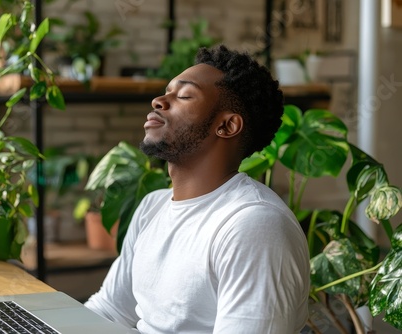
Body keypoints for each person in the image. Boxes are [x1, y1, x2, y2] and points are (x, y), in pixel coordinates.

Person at [84, 44, 310, 334]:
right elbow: (110, 310)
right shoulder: (152, 206)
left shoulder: (252, 225)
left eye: (184, 95)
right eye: (166, 91)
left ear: (227, 126)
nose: (158, 101)